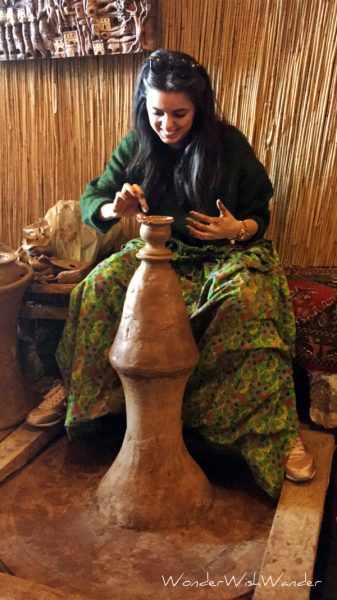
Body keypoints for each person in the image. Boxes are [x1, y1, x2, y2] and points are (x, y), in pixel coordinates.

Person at [27, 48, 315, 498]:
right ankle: (79, 392)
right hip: (157, 254)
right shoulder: (139, 144)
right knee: (98, 286)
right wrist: (114, 207)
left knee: (248, 303)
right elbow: (94, 199)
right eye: (157, 112)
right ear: (145, 104)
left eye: (179, 113)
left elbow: (259, 213)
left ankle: (273, 435)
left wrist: (235, 228)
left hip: (225, 257)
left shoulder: (228, 146)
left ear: (199, 108)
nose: (167, 124)